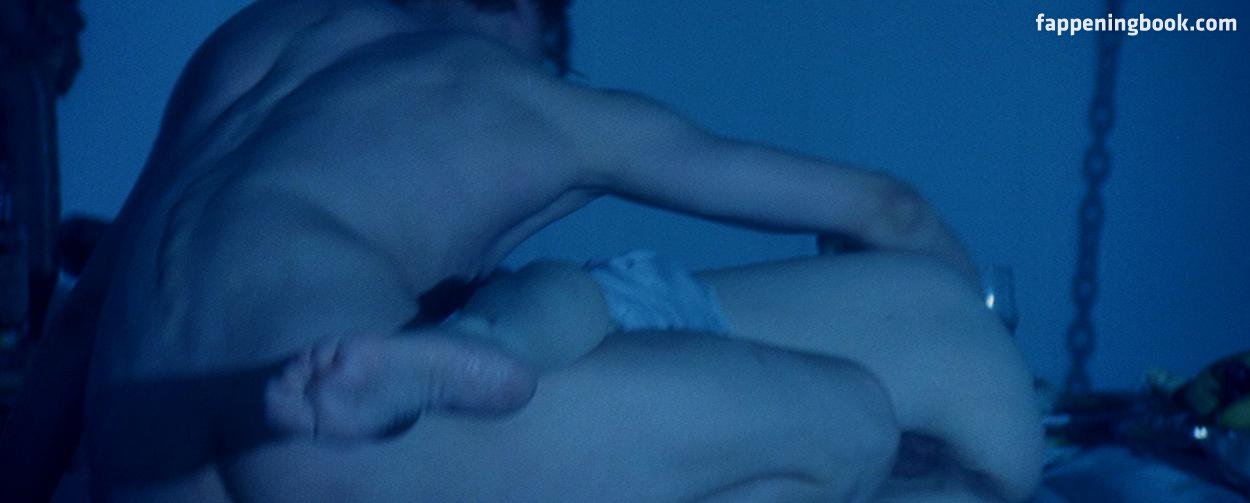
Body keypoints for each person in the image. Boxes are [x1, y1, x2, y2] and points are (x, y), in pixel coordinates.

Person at [0, 0, 1042, 500]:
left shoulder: (251, 44)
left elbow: (74, 332)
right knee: (850, 417)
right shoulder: (527, 99)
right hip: (351, 441)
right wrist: (972, 343)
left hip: (149, 457)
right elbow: (888, 207)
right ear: (527, 23)